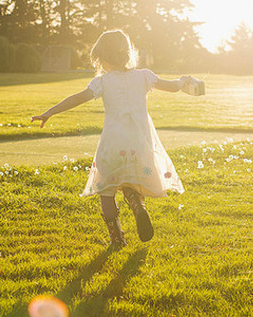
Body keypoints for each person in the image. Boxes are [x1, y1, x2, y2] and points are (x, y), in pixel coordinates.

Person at [31, 30, 192, 248]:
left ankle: (117, 238)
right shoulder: (144, 76)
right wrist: (183, 80)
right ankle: (136, 205)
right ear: (127, 54)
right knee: (131, 180)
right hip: (140, 142)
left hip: (113, 143)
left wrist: (50, 111)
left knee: (106, 189)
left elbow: (77, 98)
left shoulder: (102, 82)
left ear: (103, 58)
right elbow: (172, 87)